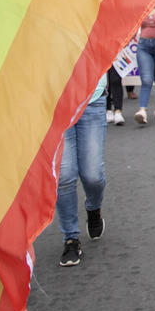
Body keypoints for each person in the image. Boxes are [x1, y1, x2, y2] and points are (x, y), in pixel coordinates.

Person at [58, 74, 109, 266]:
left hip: (92, 98)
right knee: (64, 176)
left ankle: (93, 208)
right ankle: (70, 239)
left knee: (93, 176)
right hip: (56, 102)